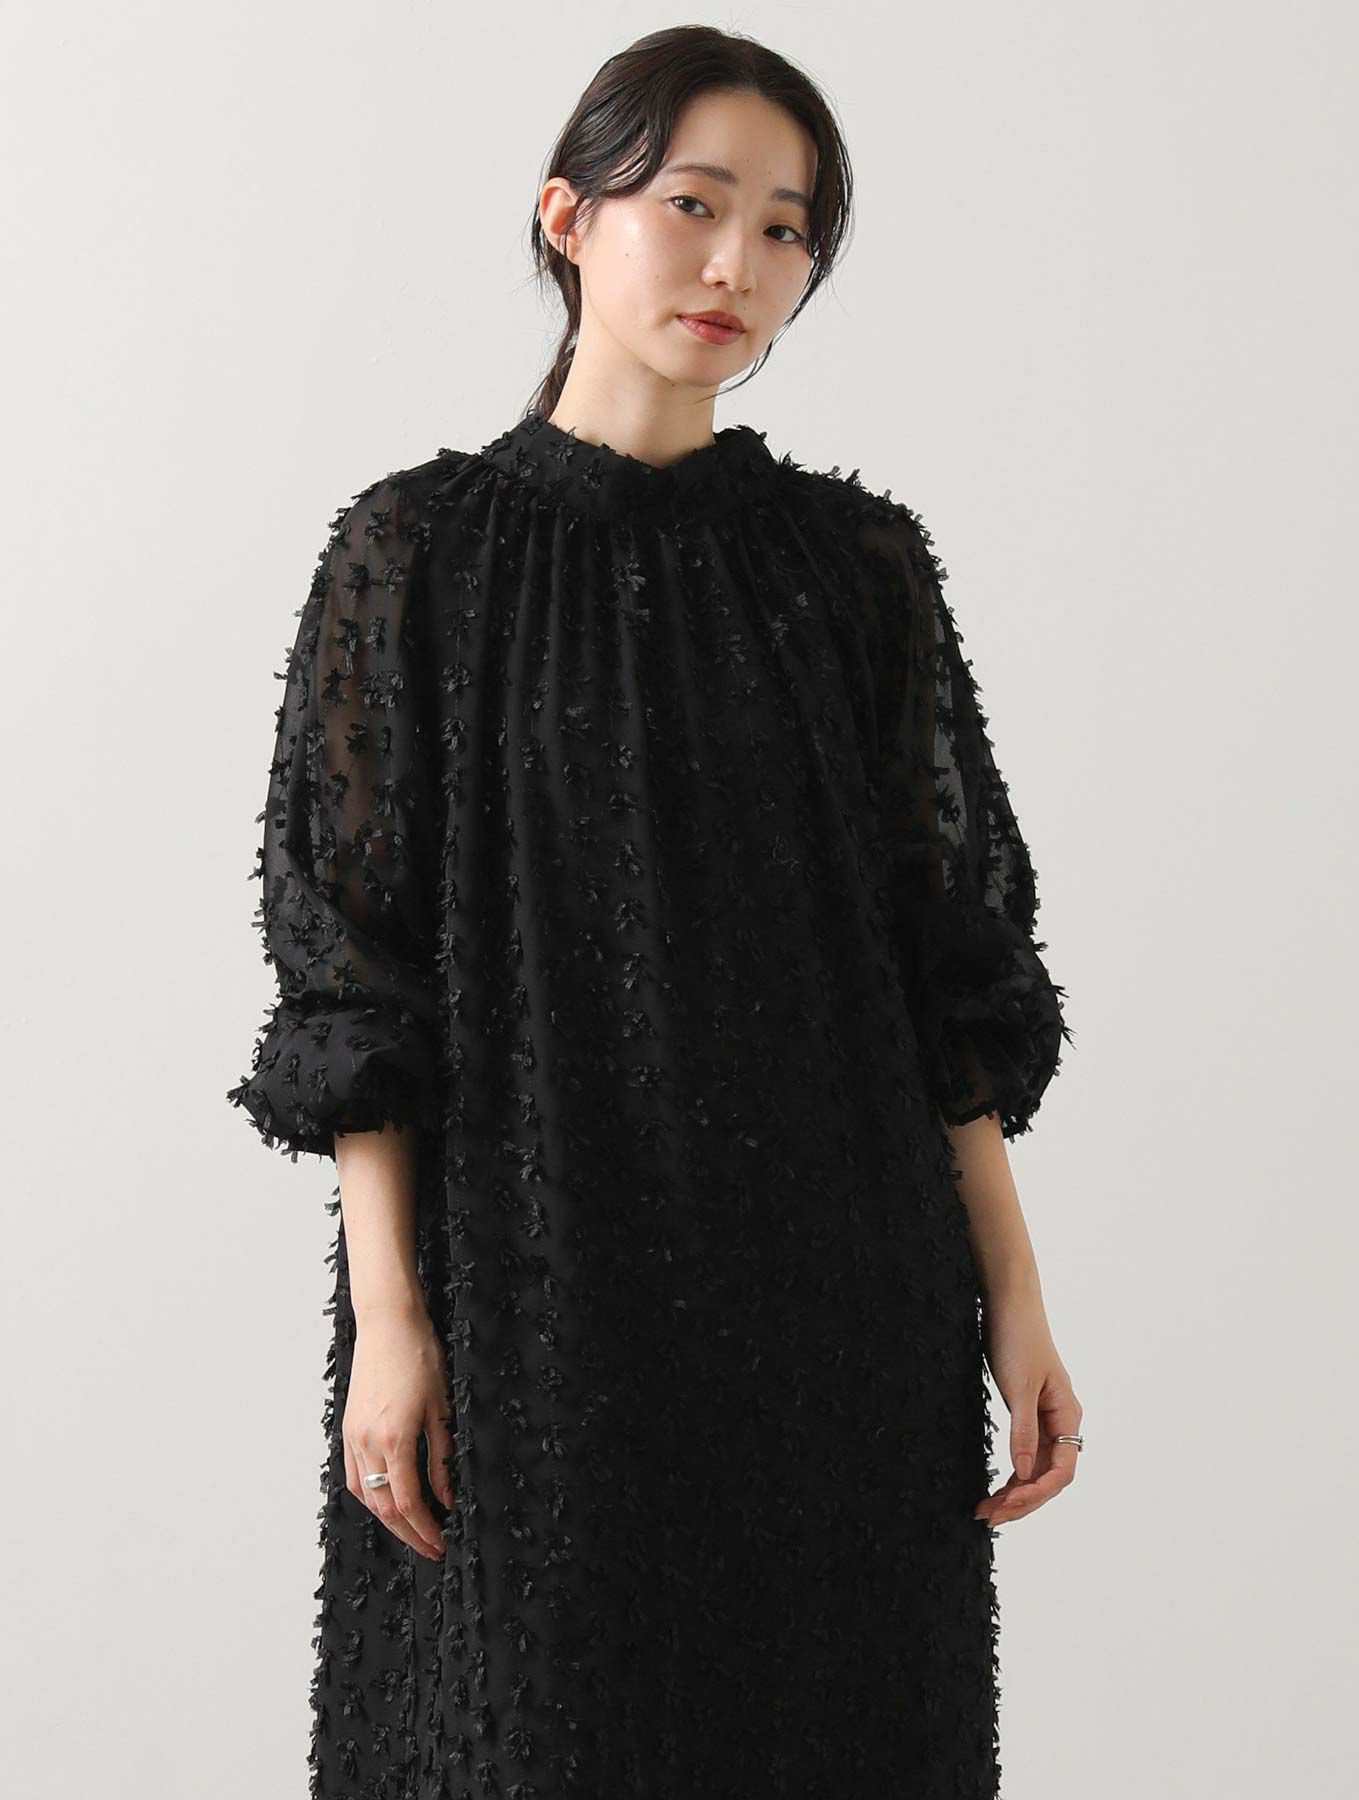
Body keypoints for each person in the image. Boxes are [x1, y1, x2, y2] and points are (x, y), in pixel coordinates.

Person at [226, 23, 1083, 1797]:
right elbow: (354, 978)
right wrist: (393, 1322)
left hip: (842, 1304)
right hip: (532, 1297)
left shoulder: (857, 569)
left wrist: (1016, 1297)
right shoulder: (415, 555)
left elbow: (949, 965)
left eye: (786, 230)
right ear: (569, 216)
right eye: (693, 205)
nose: (735, 265)